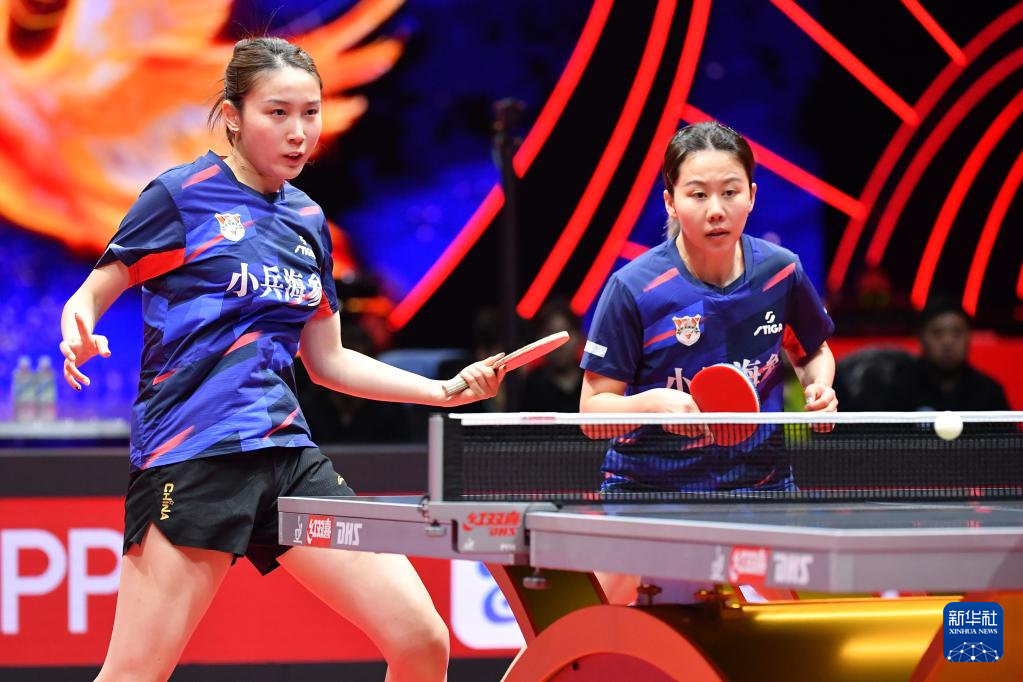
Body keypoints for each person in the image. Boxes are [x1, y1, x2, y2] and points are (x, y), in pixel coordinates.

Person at [59, 37, 503, 681]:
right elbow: (94, 291)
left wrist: (441, 391)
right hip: (194, 456)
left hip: (288, 458)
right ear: (233, 116)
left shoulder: (308, 220)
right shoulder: (182, 196)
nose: (299, 132)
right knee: (133, 674)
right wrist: (78, 325)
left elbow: (329, 361)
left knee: (421, 638)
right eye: (278, 113)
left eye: (310, 113)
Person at [579, 121, 838, 493]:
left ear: (751, 196)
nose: (716, 210)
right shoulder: (633, 287)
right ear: (670, 202)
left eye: (730, 192)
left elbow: (811, 350)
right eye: (698, 195)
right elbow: (591, 414)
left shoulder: (781, 272)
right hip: (649, 490)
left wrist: (819, 388)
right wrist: (651, 404)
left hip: (761, 485)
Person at [887, 296, 1009, 411]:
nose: (948, 342)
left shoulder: (989, 391)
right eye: (937, 333)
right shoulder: (899, 388)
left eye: (957, 333)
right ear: (921, 337)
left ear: (969, 337)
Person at [521, 299, 583, 412]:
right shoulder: (530, 384)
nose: (560, 344)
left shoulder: (591, 381)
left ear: (579, 336)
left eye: (566, 333)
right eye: (551, 333)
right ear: (539, 338)